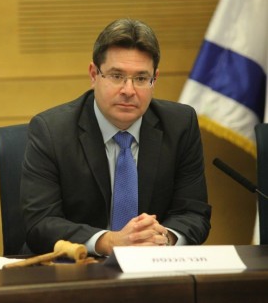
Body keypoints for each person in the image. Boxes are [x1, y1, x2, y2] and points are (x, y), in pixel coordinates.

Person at [20, 18, 211, 256]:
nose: (128, 90)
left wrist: (163, 238)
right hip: (76, 271)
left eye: (141, 79)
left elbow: (193, 213)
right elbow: (41, 223)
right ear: (93, 74)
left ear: (154, 80)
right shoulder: (51, 131)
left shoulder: (180, 125)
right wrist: (109, 242)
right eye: (116, 76)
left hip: (155, 269)